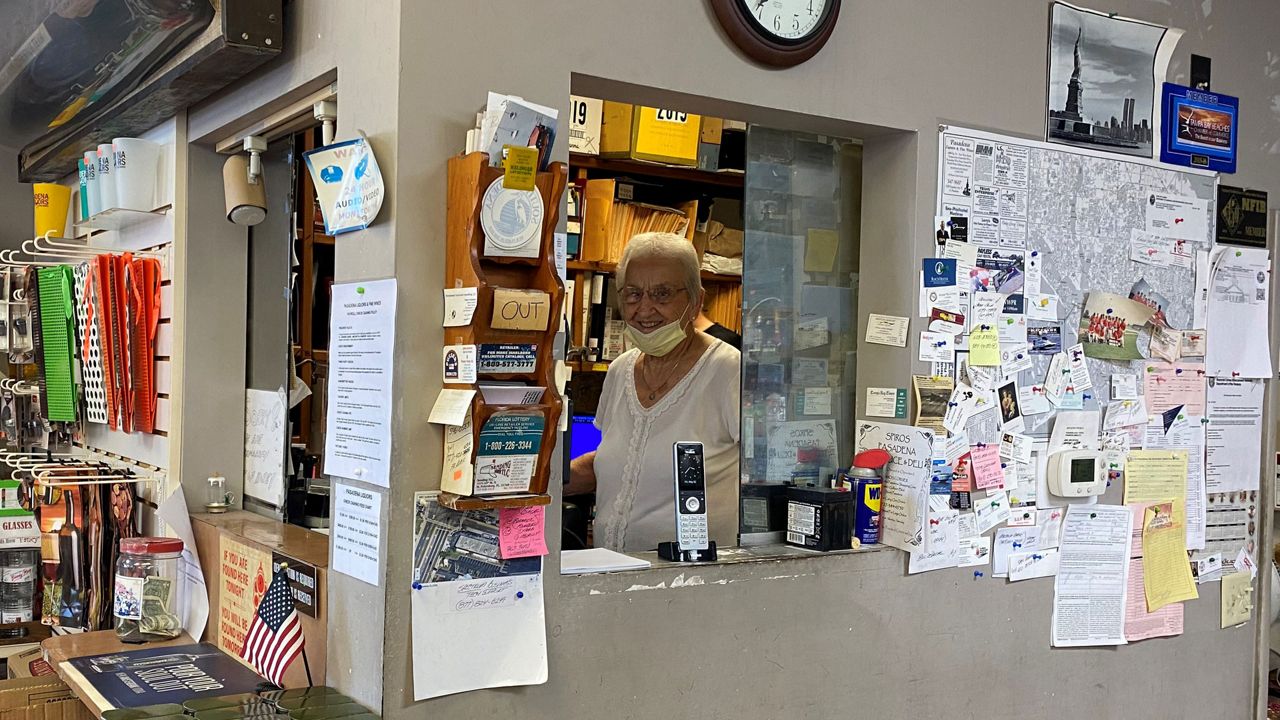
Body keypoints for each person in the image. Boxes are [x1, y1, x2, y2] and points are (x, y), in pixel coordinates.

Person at [567, 232, 741, 552]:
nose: (644, 309)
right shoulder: (620, 370)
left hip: (689, 584)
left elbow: (766, 480)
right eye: (633, 294)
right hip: (611, 571)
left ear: (695, 301)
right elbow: (616, 463)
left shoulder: (729, 370)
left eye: (662, 294)